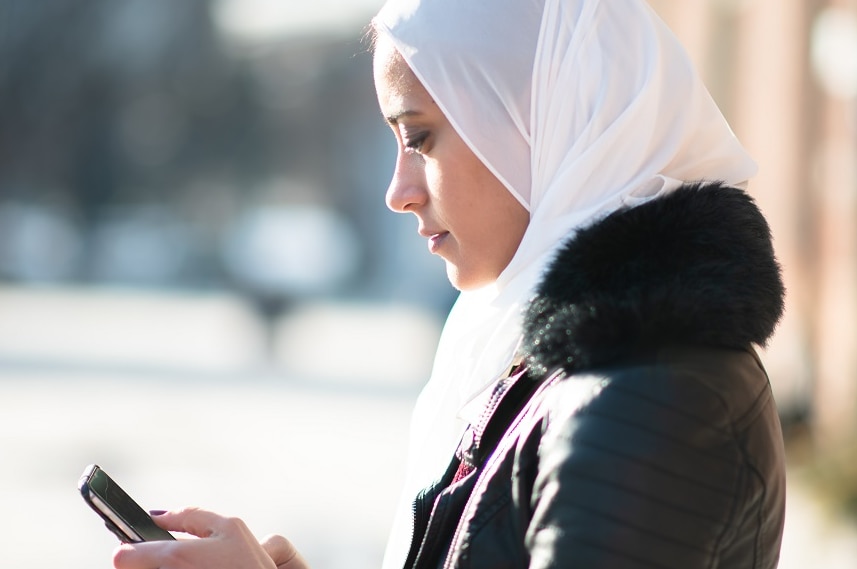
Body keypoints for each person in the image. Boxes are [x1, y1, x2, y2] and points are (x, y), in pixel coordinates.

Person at [110, 0, 787, 568]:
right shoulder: (552, 364)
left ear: (535, 120)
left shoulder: (649, 400)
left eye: (421, 137)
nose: (397, 193)